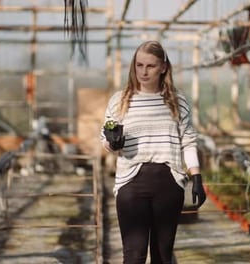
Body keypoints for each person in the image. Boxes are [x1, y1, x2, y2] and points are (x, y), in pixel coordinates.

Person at [101, 40, 206, 264]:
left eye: (150, 66)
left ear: (163, 67)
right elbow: (106, 139)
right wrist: (113, 143)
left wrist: (196, 177)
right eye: (139, 65)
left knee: (163, 256)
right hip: (131, 182)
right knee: (133, 255)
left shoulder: (177, 101)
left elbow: (188, 141)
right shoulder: (119, 101)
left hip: (168, 183)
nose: (143, 71)